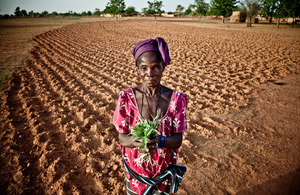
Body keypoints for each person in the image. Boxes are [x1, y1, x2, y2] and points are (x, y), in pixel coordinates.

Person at [112, 37, 188, 195]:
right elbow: (122, 137)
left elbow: (178, 139)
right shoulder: (126, 98)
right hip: (135, 175)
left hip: (163, 175)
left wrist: (160, 141)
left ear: (163, 68)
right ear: (137, 70)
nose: (150, 73)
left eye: (155, 67)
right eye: (144, 68)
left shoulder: (176, 99)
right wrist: (137, 141)